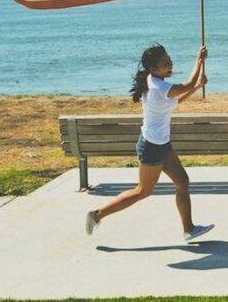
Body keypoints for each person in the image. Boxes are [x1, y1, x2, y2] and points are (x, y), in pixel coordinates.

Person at [85, 43, 214, 241]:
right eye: (165, 63)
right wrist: (199, 61)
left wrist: (197, 87)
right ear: (153, 69)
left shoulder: (155, 81)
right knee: (142, 191)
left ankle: (188, 229)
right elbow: (185, 85)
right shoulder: (159, 86)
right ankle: (97, 215)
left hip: (162, 143)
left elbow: (176, 101)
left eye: (169, 60)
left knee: (183, 182)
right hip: (152, 147)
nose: (170, 64)